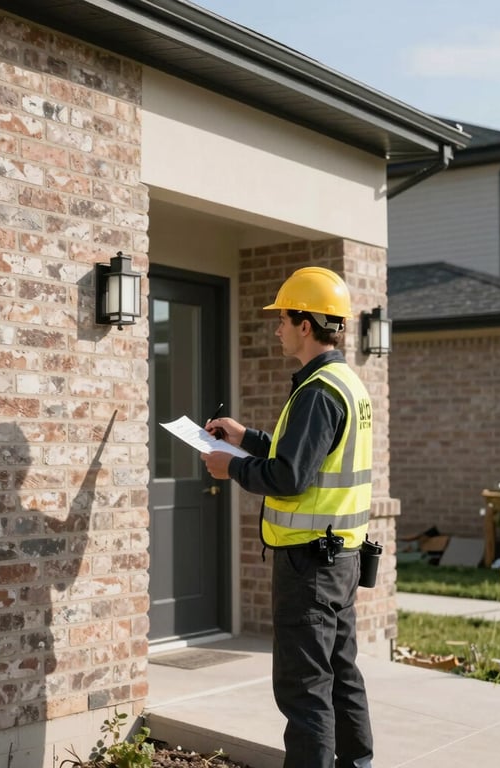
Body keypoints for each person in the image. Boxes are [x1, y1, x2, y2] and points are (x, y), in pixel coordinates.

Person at [201, 266, 374, 768]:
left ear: (305, 324)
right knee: (341, 676)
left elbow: (290, 477)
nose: (276, 328)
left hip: (309, 567)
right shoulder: (346, 384)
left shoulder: (317, 392)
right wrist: (246, 438)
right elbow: (304, 456)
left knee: (304, 689)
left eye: (282, 319)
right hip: (340, 559)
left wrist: (230, 466)